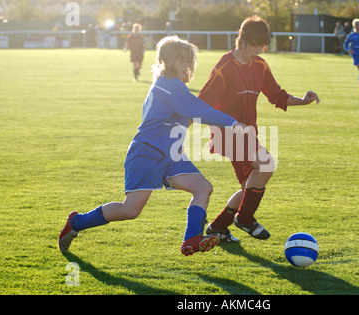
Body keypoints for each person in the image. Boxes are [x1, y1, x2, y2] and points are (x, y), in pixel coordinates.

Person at [58, 36, 249, 256]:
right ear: (168, 60)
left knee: (203, 188)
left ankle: (191, 238)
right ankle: (76, 222)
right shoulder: (169, 85)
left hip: (169, 155)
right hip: (146, 153)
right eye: (181, 60)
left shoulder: (169, 85)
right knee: (130, 210)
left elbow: (190, 112)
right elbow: (199, 110)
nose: (186, 65)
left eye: (188, 60)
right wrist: (233, 123)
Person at [198, 15, 320, 243]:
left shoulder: (260, 65)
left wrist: (303, 101)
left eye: (262, 47)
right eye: (254, 47)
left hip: (248, 134)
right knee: (266, 163)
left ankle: (218, 227)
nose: (259, 52)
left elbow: (277, 95)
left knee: (249, 188)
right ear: (240, 41)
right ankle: (245, 219)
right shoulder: (224, 68)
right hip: (227, 134)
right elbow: (201, 104)